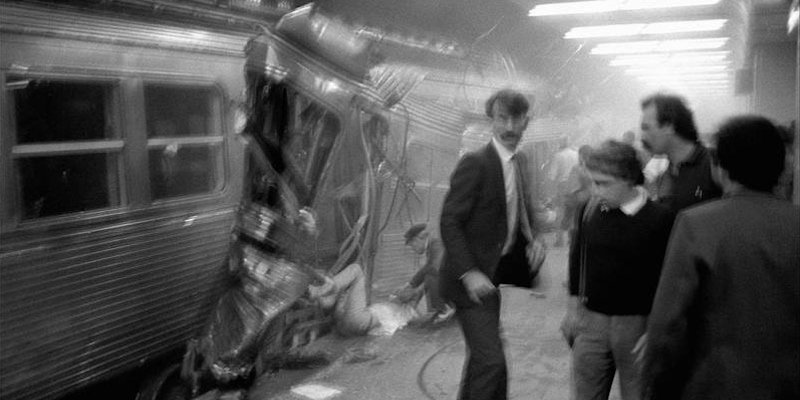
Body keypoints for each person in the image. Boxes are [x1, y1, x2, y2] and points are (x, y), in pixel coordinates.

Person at [640, 115, 800, 400]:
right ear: (782, 166)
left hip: (714, 386)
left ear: (720, 168)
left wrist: (653, 385)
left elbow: (667, 324)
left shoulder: (696, 225)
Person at [439, 88, 546, 400]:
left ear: (527, 121)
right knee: (491, 361)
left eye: (517, 119)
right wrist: (469, 271)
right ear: (492, 121)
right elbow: (449, 221)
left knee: (485, 361)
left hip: (492, 277)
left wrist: (535, 237)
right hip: (467, 280)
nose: (509, 127)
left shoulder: (520, 161)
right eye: (502, 118)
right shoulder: (476, 163)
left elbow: (521, 206)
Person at [560, 141, 675, 400]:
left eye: (602, 183)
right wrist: (572, 309)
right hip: (591, 323)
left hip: (637, 327)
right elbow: (577, 256)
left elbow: (671, 280)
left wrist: (657, 329)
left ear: (628, 179)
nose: (594, 190)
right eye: (592, 182)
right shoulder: (589, 211)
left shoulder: (661, 219)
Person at [639, 93, 721, 212]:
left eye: (646, 128)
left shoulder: (715, 165)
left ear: (668, 127)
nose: (643, 136)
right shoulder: (665, 172)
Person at [308, 263, 419, 337]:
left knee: (356, 269)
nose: (400, 290)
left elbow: (415, 294)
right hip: (345, 323)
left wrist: (410, 290)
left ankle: (319, 292)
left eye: (404, 290)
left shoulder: (406, 310)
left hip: (358, 322)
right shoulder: (391, 304)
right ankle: (319, 296)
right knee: (342, 286)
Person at [393, 223, 454, 323]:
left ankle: (445, 309)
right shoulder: (432, 245)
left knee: (430, 276)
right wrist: (409, 286)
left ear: (418, 239)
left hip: (458, 285)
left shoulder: (437, 244)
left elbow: (434, 268)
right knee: (429, 277)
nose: (413, 249)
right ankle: (441, 309)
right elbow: (429, 268)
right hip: (452, 282)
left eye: (412, 245)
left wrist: (412, 286)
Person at [548, 138, 580, 247]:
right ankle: (573, 238)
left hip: (563, 186)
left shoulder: (558, 156)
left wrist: (551, 191)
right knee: (574, 213)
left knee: (560, 213)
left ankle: (559, 240)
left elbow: (552, 175)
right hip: (576, 185)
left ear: (560, 143)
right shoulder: (576, 154)